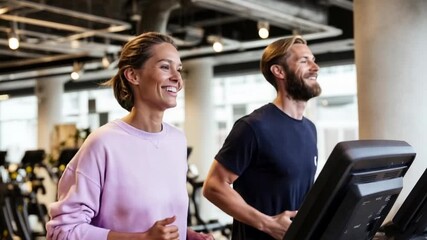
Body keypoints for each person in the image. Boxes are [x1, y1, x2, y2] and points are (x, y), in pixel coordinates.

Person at [46, 32, 213, 240]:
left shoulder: (177, 140)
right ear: (133, 75)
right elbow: (63, 231)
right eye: (164, 67)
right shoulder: (103, 143)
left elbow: (153, 219)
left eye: (178, 69)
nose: (177, 78)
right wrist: (142, 239)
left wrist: (187, 235)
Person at [202, 35, 321, 240]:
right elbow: (213, 186)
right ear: (279, 71)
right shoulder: (253, 127)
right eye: (304, 61)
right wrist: (268, 224)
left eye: (313, 60)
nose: (315, 67)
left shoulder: (310, 128)